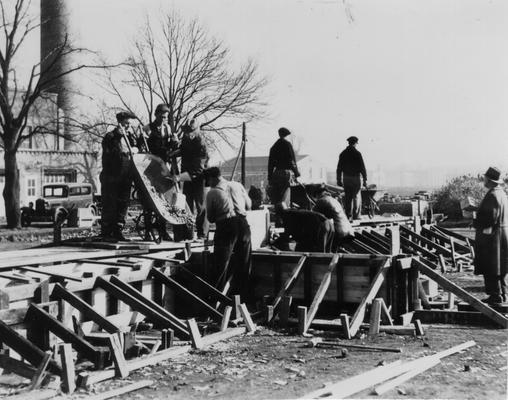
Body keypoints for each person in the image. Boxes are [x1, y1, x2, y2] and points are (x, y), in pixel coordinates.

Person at [204, 167, 252, 300]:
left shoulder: (212, 193)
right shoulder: (237, 185)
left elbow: (211, 218)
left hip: (226, 227)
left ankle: (215, 302)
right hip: (243, 225)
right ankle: (243, 300)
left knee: (220, 265)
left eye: (208, 181)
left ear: (212, 178)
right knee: (244, 263)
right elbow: (249, 205)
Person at [100, 111, 141, 241]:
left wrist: (137, 147)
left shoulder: (131, 137)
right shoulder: (110, 137)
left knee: (123, 203)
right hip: (112, 176)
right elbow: (110, 153)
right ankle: (106, 231)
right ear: (120, 123)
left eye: (130, 124)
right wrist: (118, 138)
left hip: (126, 175)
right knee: (110, 203)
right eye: (126, 124)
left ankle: (118, 230)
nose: (128, 127)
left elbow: (137, 149)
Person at [144, 103, 179, 240]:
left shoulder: (168, 128)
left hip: (164, 166)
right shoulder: (148, 128)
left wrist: (174, 142)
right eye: (162, 117)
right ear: (156, 115)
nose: (164, 119)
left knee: (163, 198)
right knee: (149, 198)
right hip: (152, 167)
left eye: (166, 117)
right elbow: (144, 148)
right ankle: (148, 231)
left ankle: (162, 230)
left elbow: (170, 146)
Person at [473, 166, 508, 304]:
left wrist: (475, 220)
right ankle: (502, 294)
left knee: (491, 266)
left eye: (485, 178)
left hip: (492, 237)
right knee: (501, 267)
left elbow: (490, 217)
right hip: (502, 235)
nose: (484, 180)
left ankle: (495, 295)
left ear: (490, 180)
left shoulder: (492, 195)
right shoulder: (502, 193)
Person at [180, 116, 209, 238]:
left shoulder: (200, 142)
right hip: (187, 175)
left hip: (198, 176)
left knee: (200, 205)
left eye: (191, 131)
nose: (188, 133)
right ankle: (188, 232)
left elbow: (201, 162)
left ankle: (202, 232)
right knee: (187, 204)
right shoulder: (186, 140)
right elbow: (182, 151)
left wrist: (186, 175)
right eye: (187, 131)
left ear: (197, 130)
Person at [312, 184, 354, 251]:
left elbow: (313, 217)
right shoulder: (333, 200)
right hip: (348, 231)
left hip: (339, 233)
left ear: (317, 194)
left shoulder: (321, 201)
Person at [336, 136, 367, 221]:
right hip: (356, 178)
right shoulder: (357, 153)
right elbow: (362, 167)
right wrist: (365, 179)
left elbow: (339, 168)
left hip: (346, 178)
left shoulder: (343, 154)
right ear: (355, 143)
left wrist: (338, 179)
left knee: (348, 197)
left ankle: (348, 216)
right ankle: (356, 216)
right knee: (356, 196)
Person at [267, 127, 300, 206]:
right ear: (286, 135)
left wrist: (270, 177)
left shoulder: (273, 147)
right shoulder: (287, 145)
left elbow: (270, 164)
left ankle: (277, 213)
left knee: (277, 197)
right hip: (286, 174)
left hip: (277, 174)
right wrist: (296, 173)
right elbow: (291, 160)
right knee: (286, 197)